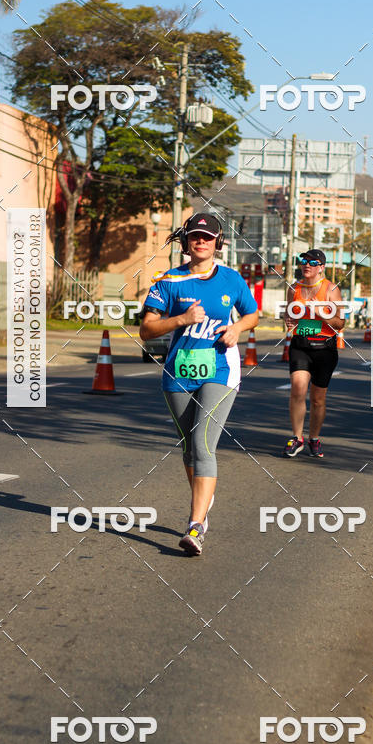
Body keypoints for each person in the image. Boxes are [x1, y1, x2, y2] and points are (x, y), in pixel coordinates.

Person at [139, 213, 259, 556]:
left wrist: (238, 329)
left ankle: (195, 526)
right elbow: (147, 330)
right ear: (186, 241)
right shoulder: (167, 281)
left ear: (218, 242)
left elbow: (252, 314)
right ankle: (203, 505)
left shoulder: (232, 280)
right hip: (177, 372)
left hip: (220, 370)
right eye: (195, 236)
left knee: (204, 445)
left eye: (207, 237)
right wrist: (181, 319)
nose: (201, 241)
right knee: (189, 449)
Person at [282, 249, 345, 459]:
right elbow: (289, 313)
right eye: (303, 261)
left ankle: (314, 438)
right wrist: (289, 321)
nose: (306, 265)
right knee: (298, 390)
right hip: (301, 345)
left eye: (312, 262)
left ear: (321, 268)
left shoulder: (331, 289)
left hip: (324, 349)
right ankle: (297, 438)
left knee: (318, 399)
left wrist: (322, 316)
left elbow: (341, 322)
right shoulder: (294, 288)